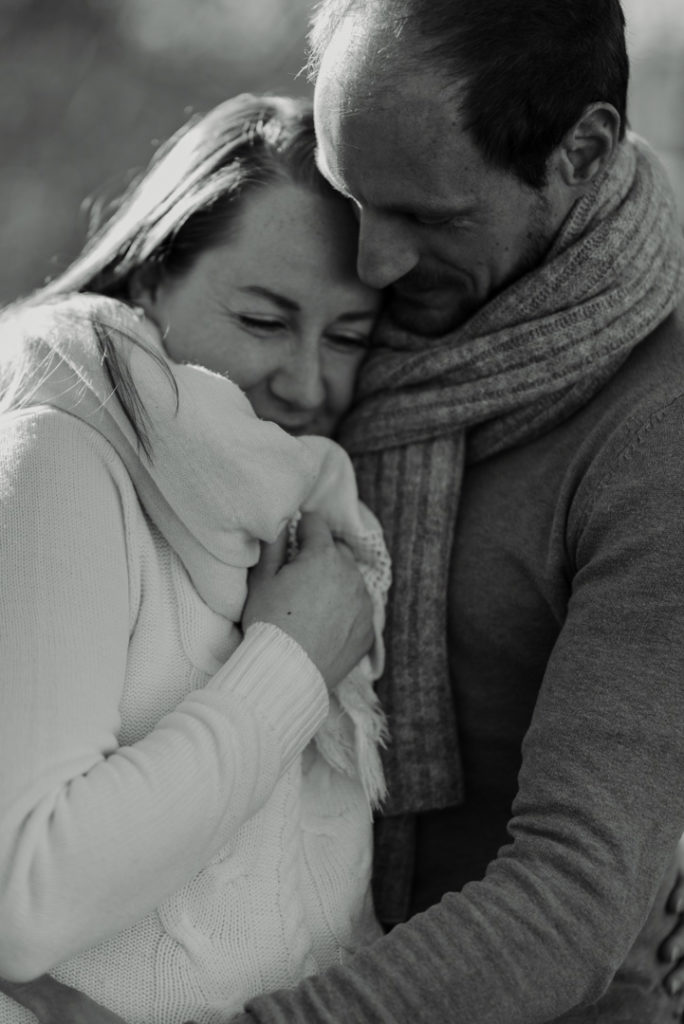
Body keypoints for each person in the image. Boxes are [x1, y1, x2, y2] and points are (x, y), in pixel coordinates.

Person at [211, 1, 684, 1022]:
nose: (372, 264)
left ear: (582, 149)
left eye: (430, 217)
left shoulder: (659, 434)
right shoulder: (321, 282)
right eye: (353, 194)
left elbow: (572, 900)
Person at [0, 93, 392, 1024]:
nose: (306, 382)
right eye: (263, 320)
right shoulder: (59, 459)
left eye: (347, 337)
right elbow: (26, 894)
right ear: (152, 279)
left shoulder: (307, 505)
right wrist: (290, 664)